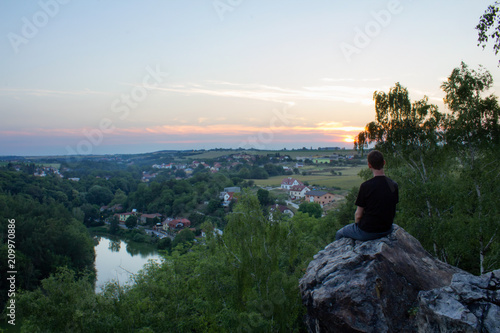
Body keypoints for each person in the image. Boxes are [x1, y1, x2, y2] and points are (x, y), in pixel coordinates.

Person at [335, 150, 398, 241]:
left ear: (369, 165)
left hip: (368, 231)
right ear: (384, 162)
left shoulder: (366, 186)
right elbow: (391, 208)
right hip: (387, 229)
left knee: (340, 233)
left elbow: (358, 215)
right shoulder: (393, 185)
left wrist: (358, 227)